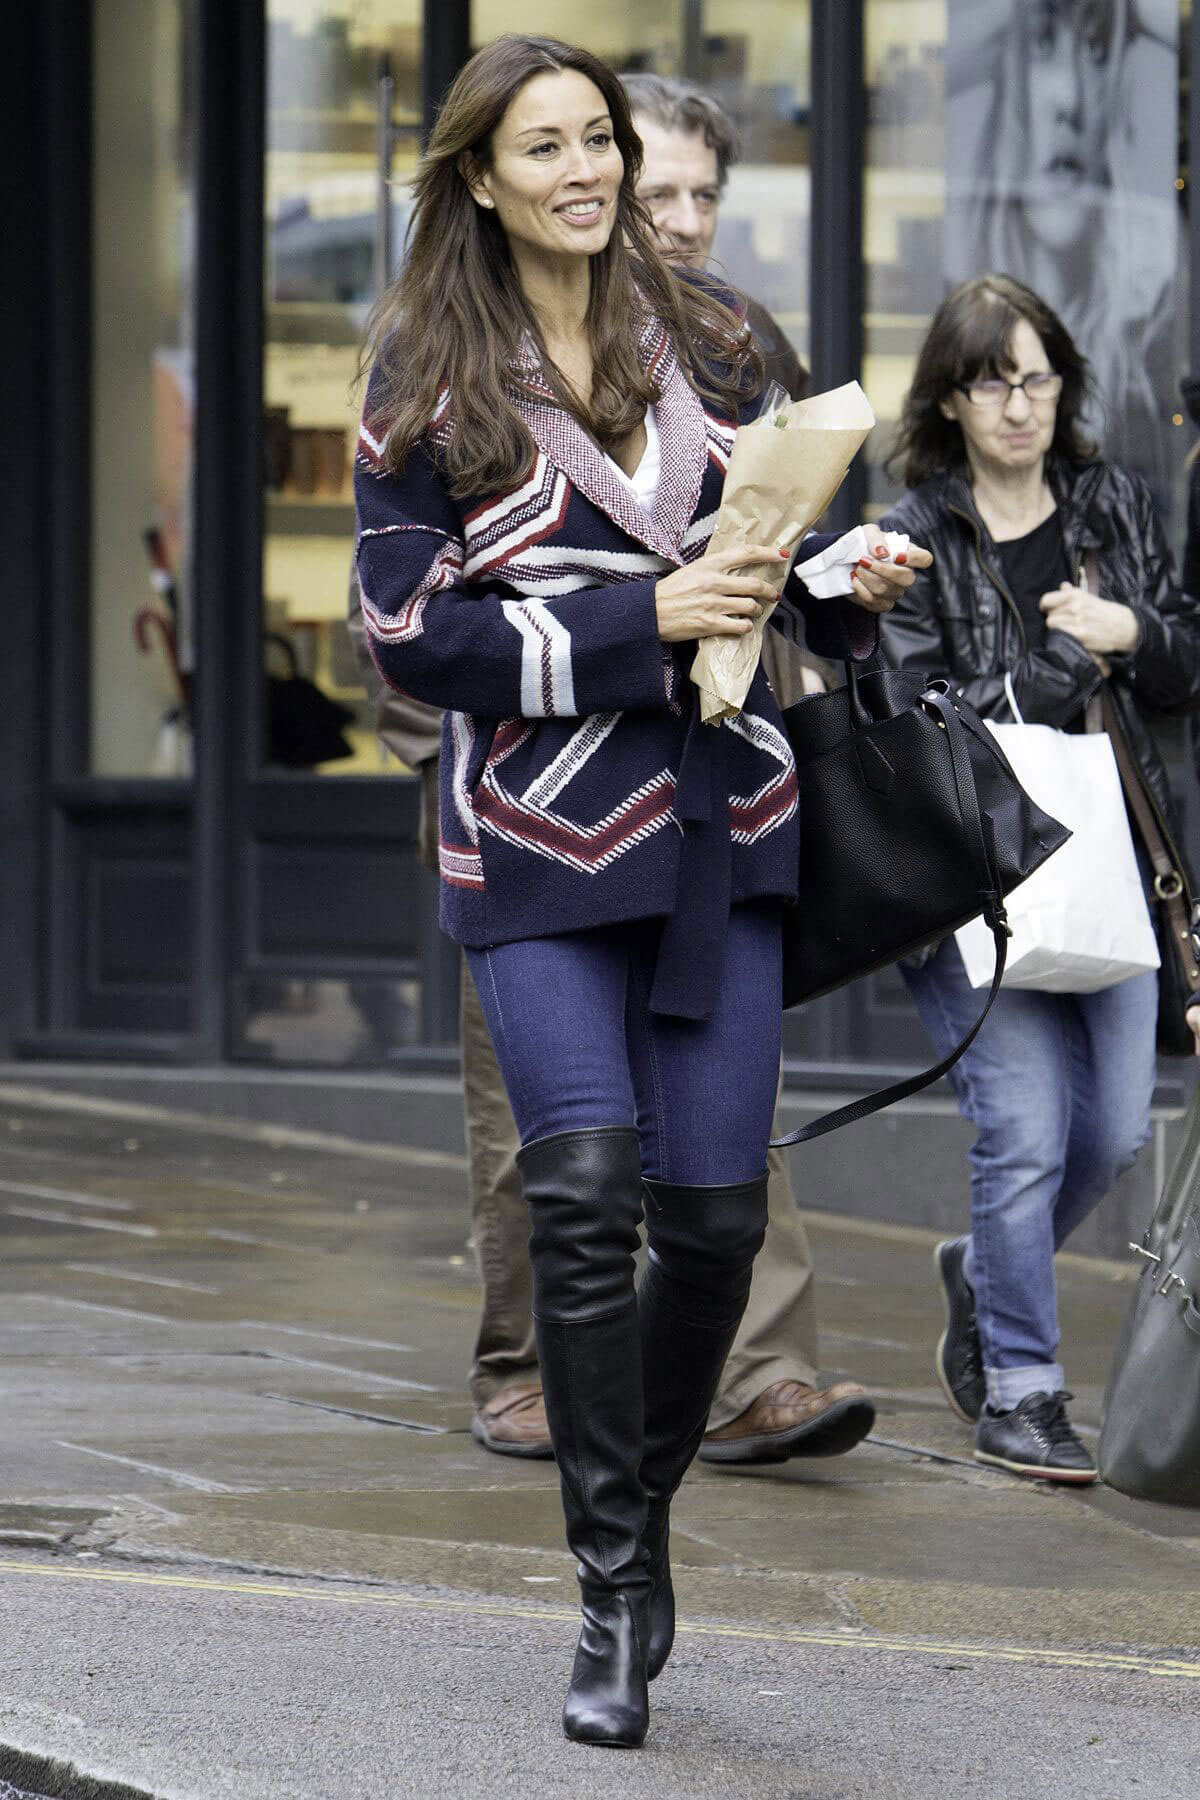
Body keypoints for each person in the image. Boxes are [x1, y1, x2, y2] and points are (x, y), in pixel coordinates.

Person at [354, 33, 925, 1747]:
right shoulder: (422, 368)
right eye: (547, 147)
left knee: (719, 1219)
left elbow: (783, 560)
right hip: (530, 840)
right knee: (585, 1194)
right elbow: (408, 636)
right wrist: (632, 622)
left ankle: (644, 1507)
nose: (588, 172)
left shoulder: (726, 341)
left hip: (723, 825)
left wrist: (845, 584)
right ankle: (610, 1586)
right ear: (479, 175)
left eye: (600, 137)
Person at [879, 273, 1200, 1486]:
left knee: (1115, 1131)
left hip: (1112, 867)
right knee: (1020, 1132)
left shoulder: (1111, 501)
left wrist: (1133, 635)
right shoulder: (914, 534)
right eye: (992, 380)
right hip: (975, 886)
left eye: (1039, 376)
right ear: (951, 399)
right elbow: (924, 725)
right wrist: (1067, 661)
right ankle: (1020, 1386)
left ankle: (981, 1270)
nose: (1021, 404)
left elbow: (1182, 663)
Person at [944, 0, 1178, 500]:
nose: (1069, 96)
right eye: (1044, 46)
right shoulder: (925, 526)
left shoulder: (1154, 327)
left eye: (1095, 50)